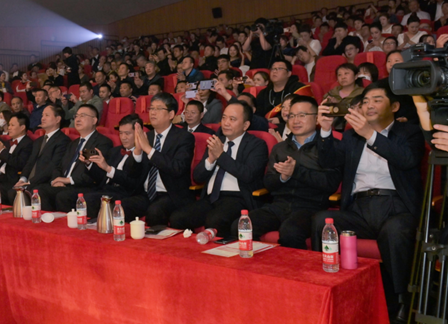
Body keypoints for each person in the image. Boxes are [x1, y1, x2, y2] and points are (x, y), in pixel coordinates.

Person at [312, 81, 424, 324]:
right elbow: (329, 162)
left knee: (395, 231)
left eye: (377, 100)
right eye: (365, 101)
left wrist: (370, 135)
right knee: (322, 221)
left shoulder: (409, 132)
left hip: (396, 207)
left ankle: (403, 303)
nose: (369, 105)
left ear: (394, 106)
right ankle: (326, 289)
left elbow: (407, 160)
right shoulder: (351, 136)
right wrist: (326, 131)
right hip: (359, 208)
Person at [246, 96, 341, 249]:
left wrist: (296, 171)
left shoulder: (330, 146)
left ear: (316, 118)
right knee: (244, 225)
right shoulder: (280, 148)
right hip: (279, 205)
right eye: (292, 116)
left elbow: (330, 183)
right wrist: (282, 177)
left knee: (290, 232)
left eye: (302, 115)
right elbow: (268, 182)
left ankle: (297, 266)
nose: (296, 120)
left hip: (311, 207)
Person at [170, 102, 268, 231]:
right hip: (211, 198)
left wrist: (221, 155)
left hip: (238, 198)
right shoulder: (216, 141)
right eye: (224, 117)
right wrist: (210, 159)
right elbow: (198, 177)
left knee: (215, 221)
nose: (226, 123)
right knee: (177, 218)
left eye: (232, 119)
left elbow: (248, 175)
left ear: (245, 125)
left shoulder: (257, 145)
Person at [121, 93, 195, 226]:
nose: (153, 112)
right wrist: (137, 151)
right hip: (146, 193)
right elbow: (131, 173)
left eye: (158, 109)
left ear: (171, 114)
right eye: (151, 108)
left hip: (170, 194)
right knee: (123, 206)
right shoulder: (147, 137)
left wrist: (149, 150)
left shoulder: (184, 137)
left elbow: (177, 168)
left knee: (155, 211)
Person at [31, 105, 113, 211]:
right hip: (66, 185)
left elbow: (94, 173)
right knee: (39, 190)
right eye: (76, 116)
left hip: (84, 186)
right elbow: (59, 166)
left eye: (82, 116)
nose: (77, 119)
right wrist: (56, 180)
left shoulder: (101, 142)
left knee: (63, 196)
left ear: (94, 120)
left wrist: (68, 180)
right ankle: (49, 220)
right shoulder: (73, 143)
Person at [60, 114, 143, 218]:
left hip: (125, 192)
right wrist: (89, 164)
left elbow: (132, 182)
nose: (123, 137)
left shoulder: (142, 155)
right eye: (121, 133)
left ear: (138, 134)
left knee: (90, 199)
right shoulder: (115, 151)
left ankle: (91, 226)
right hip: (104, 189)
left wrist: (108, 168)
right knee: (65, 196)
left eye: (127, 133)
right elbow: (100, 177)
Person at [10, 106, 71, 201]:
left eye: (47, 115)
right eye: (42, 115)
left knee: (33, 192)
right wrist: (23, 179)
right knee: (11, 192)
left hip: (45, 181)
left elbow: (53, 166)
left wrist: (31, 182)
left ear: (57, 119)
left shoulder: (63, 140)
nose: (43, 118)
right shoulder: (38, 141)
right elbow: (30, 162)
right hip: (31, 182)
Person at [323, 63, 365, 130]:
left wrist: (339, 105)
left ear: (356, 76)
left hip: (355, 128)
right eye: (340, 75)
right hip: (331, 127)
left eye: (346, 73)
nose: (343, 77)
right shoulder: (332, 93)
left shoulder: (363, 94)